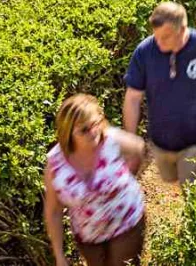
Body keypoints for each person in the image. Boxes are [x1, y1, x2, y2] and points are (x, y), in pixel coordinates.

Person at [123, 1, 196, 185]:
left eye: (164, 37)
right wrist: (130, 139)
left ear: (182, 30)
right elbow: (133, 98)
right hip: (160, 142)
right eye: (155, 36)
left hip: (195, 141)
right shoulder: (144, 51)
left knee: (195, 194)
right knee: (170, 178)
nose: (158, 43)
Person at [43, 94, 147, 266]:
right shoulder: (55, 164)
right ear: (68, 132)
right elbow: (53, 211)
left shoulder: (111, 140)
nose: (93, 132)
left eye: (95, 124)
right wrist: (59, 255)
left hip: (126, 223)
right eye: (84, 130)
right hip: (88, 236)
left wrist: (126, 178)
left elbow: (138, 148)